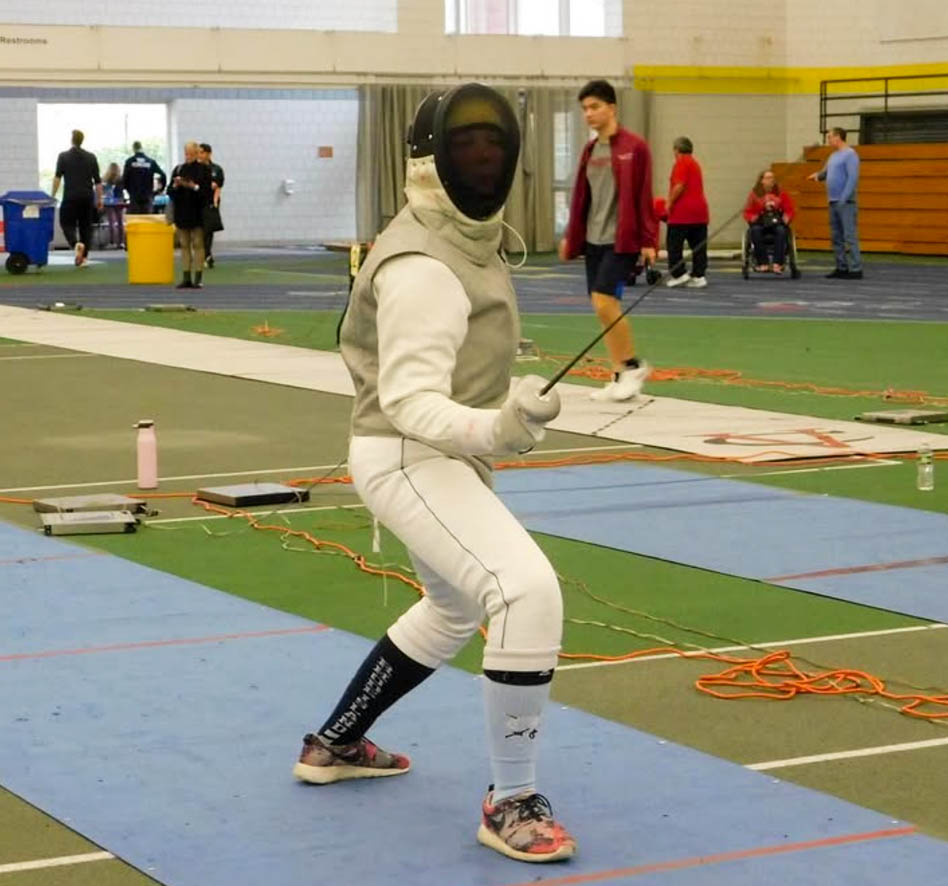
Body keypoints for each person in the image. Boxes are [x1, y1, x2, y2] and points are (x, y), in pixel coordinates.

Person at [297, 83, 576, 864]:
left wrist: (492, 430)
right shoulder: (424, 264)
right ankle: (511, 800)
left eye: (496, 144)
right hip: (408, 454)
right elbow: (411, 402)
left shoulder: (461, 237)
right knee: (525, 592)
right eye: (467, 146)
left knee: (452, 608)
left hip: (432, 454)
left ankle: (336, 744)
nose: (485, 158)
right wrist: (499, 429)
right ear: (430, 161)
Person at [558, 79, 656, 402]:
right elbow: (582, 199)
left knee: (604, 301)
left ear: (612, 108)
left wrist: (648, 239)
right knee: (602, 308)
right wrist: (572, 239)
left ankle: (633, 365)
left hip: (621, 240)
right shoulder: (589, 151)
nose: (588, 113)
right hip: (593, 239)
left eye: (595, 107)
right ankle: (618, 376)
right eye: (584, 108)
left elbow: (643, 195)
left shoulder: (635, 147)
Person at [807, 126, 862, 279]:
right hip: (832, 201)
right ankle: (841, 266)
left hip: (846, 203)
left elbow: (852, 178)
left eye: (830, 137)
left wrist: (844, 198)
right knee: (836, 237)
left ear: (838, 137)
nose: (828, 140)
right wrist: (817, 176)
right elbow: (826, 173)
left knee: (849, 236)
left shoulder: (850, 155)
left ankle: (856, 268)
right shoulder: (833, 156)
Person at [51, 129, 102, 267]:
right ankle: (84, 258)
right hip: (87, 197)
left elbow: (57, 178)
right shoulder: (91, 157)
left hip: (70, 196)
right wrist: (100, 199)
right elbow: (98, 181)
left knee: (66, 224)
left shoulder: (63, 156)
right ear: (82, 140)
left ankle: (75, 244)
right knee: (86, 227)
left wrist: (52, 196)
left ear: (71, 140)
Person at [665, 136, 710, 288]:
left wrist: (670, 202)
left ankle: (679, 273)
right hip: (700, 212)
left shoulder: (681, 162)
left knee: (674, 245)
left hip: (682, 213)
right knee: (698, 246)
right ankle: (699, 275)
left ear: (676, 149)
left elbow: (679, 185)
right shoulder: (695, 163)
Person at [167, 141, 212, 289]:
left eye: (191, 153)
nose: (188, 156)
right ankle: (186, 277)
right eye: (186, 153)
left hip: (197, 212)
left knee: (198, 244)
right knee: (184, 245)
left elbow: (207, 193)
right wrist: (176, 185)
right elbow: (170, 191)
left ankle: (198, 278)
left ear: (197, 153)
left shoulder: (204, 170)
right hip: (182, 212)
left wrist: (194, 187)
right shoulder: (179, 169)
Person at [742, 169, 796, 274]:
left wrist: (786, 218)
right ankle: (763, 263)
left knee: (781, 231)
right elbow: (747, 212)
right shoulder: (754, 194)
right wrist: (756, 215)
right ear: (762, 180)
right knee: (755, 231)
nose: (771, 180)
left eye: (772, 178)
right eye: (768, 178)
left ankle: (778, 263)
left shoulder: (781, 193)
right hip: (760, 222)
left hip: (776, 221)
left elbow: (790, 209)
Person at [198, 143, 225, 268]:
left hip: (210, 203)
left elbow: (217, 186)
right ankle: (205, 255)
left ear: (208, 154)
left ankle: (207, 254)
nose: (200, 155)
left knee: (208, 230)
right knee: (199, 230)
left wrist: (215, 200)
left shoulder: (216, 169)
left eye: (202, 152)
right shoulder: (195, 169)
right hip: (197, 202)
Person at [123, 141, 167, 215]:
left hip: (134, 196)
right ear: (141, 148)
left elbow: (124, 179)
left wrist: (129, 190)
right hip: (148, 196)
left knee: (135, 222)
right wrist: (159, 190)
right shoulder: (151, 162)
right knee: (147, 221)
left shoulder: (129, 162)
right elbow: (163, 175)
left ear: (133, 149)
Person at [101, 162, 127, 249]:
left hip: (109, 201)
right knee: (120, 222)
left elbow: (102, 190)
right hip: (119, 201)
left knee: (111, 222)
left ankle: (112, 242)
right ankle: (121, 242)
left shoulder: (105, 179)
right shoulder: (121, 179)